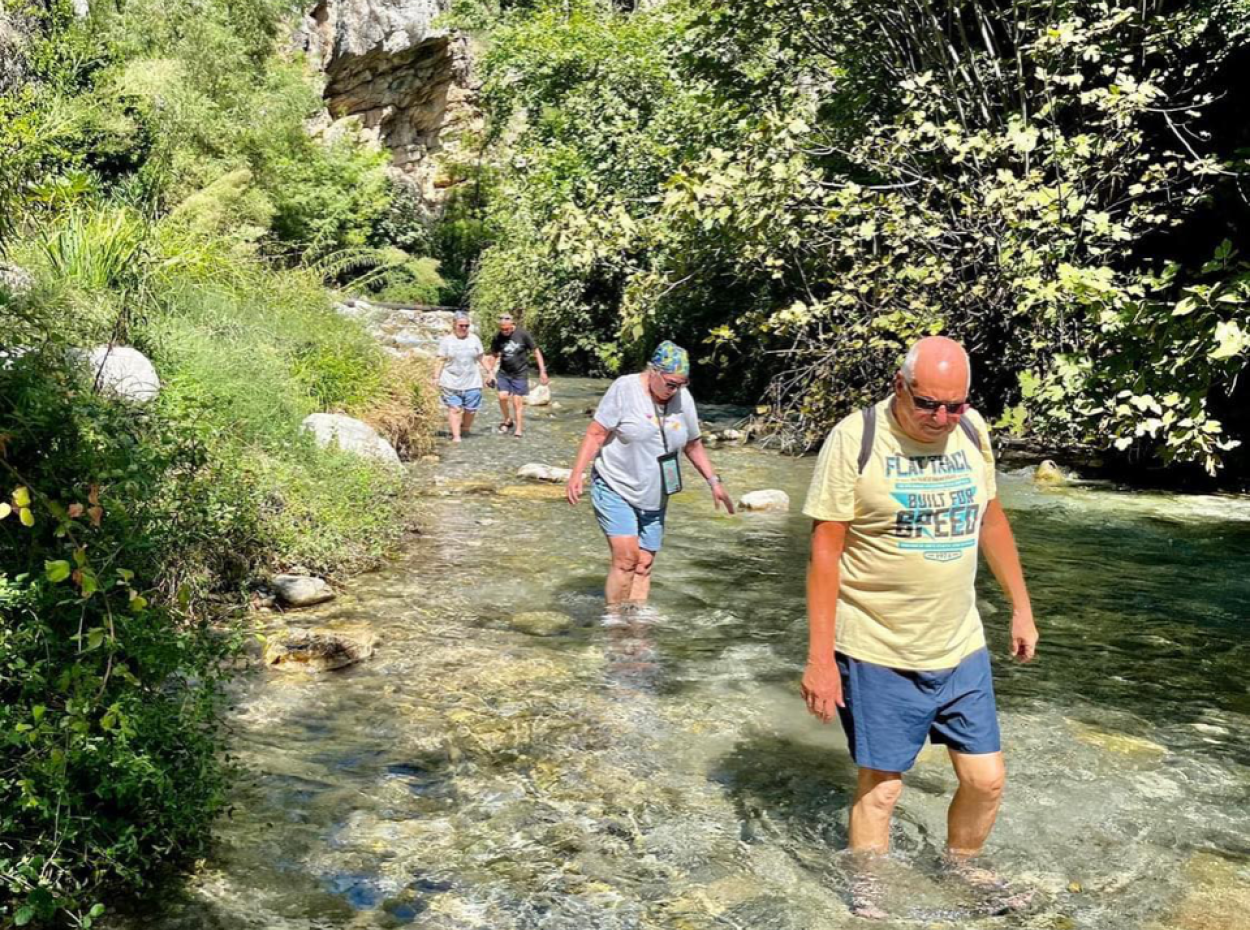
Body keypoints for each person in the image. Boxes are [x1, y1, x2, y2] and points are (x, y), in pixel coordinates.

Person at [800, 336, 1039, 918]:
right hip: (878, 644)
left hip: (960, 643)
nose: (941, 417)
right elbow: (825, 554)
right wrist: (820, 658)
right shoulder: (856, 439)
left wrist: (1021, 606)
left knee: (986, 779)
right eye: (928, 403)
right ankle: (869, 893)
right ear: (899, 386)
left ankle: (962, 869)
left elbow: (990, 519)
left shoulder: (972, 432)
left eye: (954, 405)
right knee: (883, 788)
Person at [566, 341, 735, 605]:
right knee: (626, 559)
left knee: (644, 564)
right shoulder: (625, 389)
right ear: (653, 372)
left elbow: (693, 444)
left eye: (682, 384)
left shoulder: (683, 398)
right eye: (670, 384)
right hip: (616, 485)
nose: (675, 390)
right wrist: (576, 475)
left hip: (655, 494)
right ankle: (615, 620)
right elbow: (596, 433)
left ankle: (636, 621)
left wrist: (714, 482)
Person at [432, 311, 491, 444]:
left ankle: (464, 429)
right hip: (450, 382)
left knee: (471, 410)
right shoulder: (447, 341)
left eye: (467, 326)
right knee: (455, 409)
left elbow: (481, 357)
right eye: (461, 326)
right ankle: (456, 436)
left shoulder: (474, 339)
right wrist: (436, 377)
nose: (464, 328)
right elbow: (440, 359)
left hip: (472, 381)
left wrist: (490, 372)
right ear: (454, 325)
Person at [488, 312, 549, 438]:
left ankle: (519, 429)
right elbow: (494, 355)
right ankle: (507, 420)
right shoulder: (498, 337)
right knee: (502, 397)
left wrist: (542, 371)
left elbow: (536, 352)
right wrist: (490, 373)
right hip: (504, 372)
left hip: (520, 373)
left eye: (507, 329)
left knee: (517, 401)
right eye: (502, 329)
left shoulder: (523, 334)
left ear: (512, 325)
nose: (505, 332)